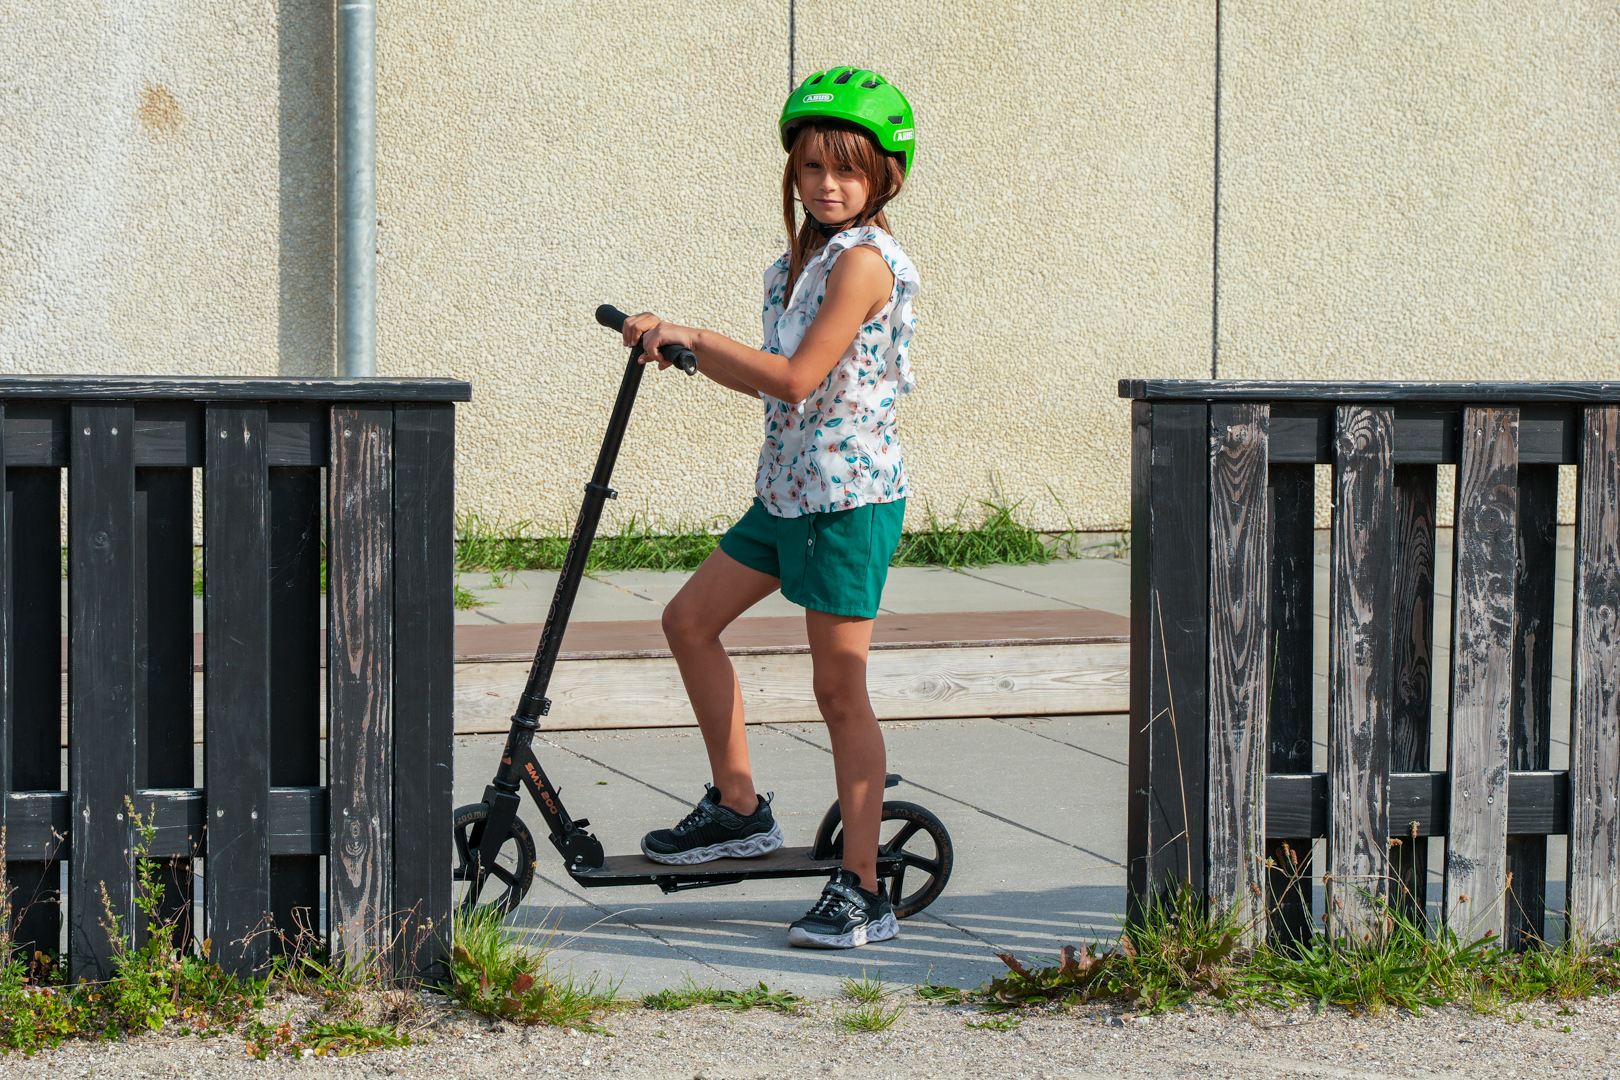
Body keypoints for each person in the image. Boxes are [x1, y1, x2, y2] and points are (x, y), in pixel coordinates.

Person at [619, 67, 919, 949]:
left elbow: (794, 376)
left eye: (849, 170)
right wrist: (674, 346)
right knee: (687, 620)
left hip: (847, 502)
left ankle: (863, 889)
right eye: (813, 167)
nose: (828, 185)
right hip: (786, 492)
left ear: (884, 177)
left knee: (838, 691)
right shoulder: (798, 262)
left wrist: (698, 337)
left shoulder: (864, 264)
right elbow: (774, 377)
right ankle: (739, 807)